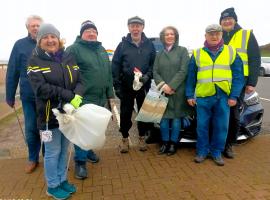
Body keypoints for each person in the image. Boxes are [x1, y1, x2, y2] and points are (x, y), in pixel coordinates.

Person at [27, 23, 83, 200]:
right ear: (39, 41)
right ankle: (52, 186)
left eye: (53, 37)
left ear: (58, 39)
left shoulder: (68, 57)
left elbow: (80, 79)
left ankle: (62, 180)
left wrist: (78, 96)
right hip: (47, 118)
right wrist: (69, 95)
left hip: (68, 116)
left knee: (65, 149)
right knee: (52, 152)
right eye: (45, 37)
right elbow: (41, 89)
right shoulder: (34, 61)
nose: (50, 40)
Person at [185, 24, 244, 166]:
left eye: (217, 33)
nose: (214, 36)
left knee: (221, 126)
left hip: (223, 97)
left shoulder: (231, 52)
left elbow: (238, 76)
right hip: (203, 97)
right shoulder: (197, 53)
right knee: (202, 126)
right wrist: (189, 95)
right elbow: (191, 77)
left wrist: (234, 96)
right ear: (205, 36)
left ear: (221, 35)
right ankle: (202, 151)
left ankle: (217, 152)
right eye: (210, 33)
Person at [66, 20, 114, 179]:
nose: (92, 33)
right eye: (88, 31)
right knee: (82, 131)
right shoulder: (73, 49)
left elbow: (108, 74)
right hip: (83, 98)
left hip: (100, 98)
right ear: (81, 34)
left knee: (96, 128)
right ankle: (80, 162)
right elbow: (68, 75)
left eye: (94, 30)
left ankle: (89, 151)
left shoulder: (101, 49)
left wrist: (110, 95)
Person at [219, 7, 261, 158]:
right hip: (220, 80)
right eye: (224, 20)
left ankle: (229, 144)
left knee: (234, 113)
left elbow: (255, 58)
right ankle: (218, 142)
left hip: (239, 81)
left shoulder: (246, 34)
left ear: (235, 20)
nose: (227, 21)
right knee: (220, 112)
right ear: (220, 22)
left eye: (229, 18)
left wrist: (252, 82)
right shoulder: (218, 36)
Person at [112, 16, 156, 153]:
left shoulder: (149, 45)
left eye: (138, 26)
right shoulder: (122, 45)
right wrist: (117, 85)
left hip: (143, 86)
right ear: (128, 27)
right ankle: (125, 139)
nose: (135, 28)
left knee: (144, 114)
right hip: (126, 87)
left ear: (143, 27)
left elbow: (153, 64)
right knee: (125, 114)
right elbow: (115, 65)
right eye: (132, 26)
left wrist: (148, 76)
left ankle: (142, 138)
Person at [5, 15, 43, 174]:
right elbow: (12, 70)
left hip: (47, 97)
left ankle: (50, 157)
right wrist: (10, 95)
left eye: (38, 25)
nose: (35, 28)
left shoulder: (49, 43)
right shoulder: (19, 45)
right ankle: (33, 158)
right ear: (27, 28)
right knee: (31, 128)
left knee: (48, 128)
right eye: (32, 25)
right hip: (28, 96)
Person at [153, 26, 192, 156]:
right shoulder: (159, 54)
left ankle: (173, 144)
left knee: (176, 119)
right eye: (166, 34)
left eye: (172, 34)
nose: (169, 36)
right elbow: (155, 72)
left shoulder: (182, 51)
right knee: (163, 119)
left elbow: (183, 70)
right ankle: (165, 143)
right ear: (163, 37)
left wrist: (171, 86)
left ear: (176, 36)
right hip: (163, 91)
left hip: (178, 91)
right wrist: (164, 86)